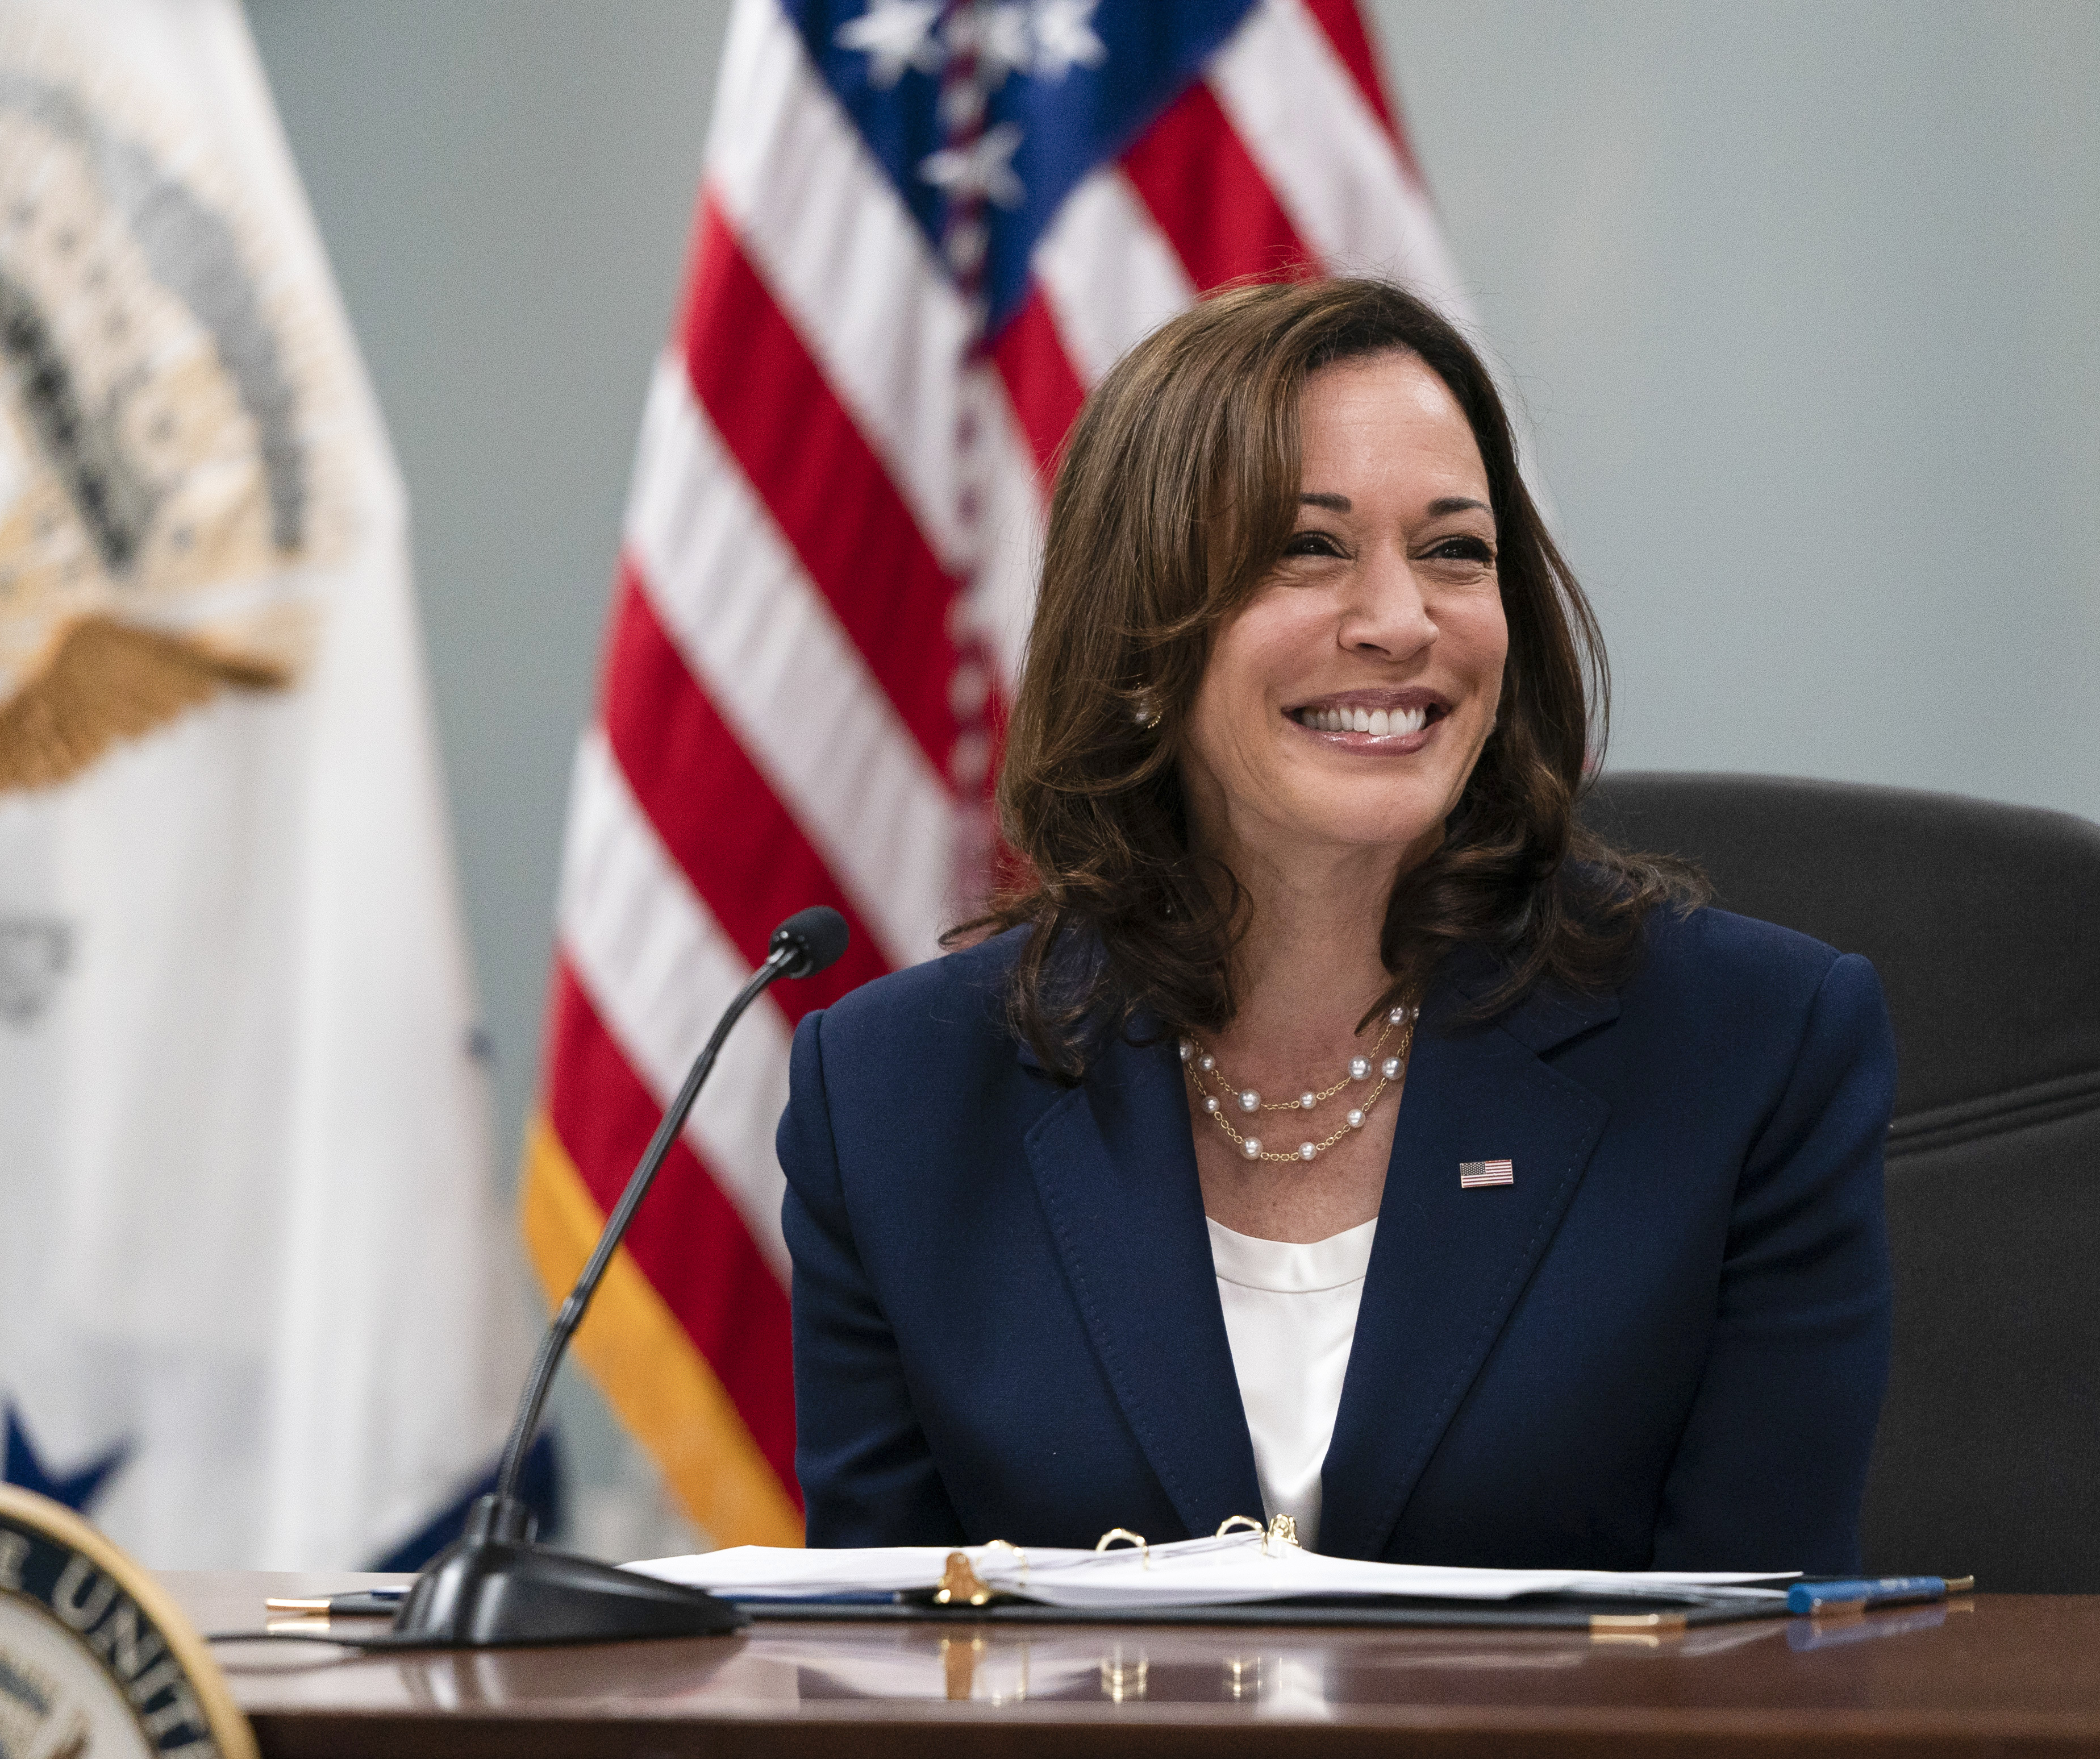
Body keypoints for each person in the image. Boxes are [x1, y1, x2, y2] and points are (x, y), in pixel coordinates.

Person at [778, 277, 1894, 1571]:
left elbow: (1756, 1667)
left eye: (1452, 550)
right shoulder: (897, 1097)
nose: (1399, 621)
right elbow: (892, 1693)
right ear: (1140, 640)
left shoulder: (1748, 1050)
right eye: (1307, 548)